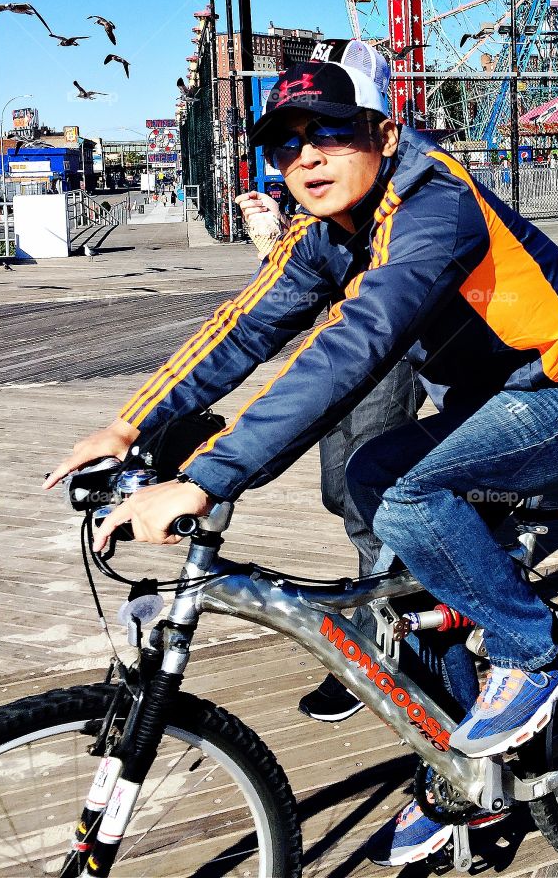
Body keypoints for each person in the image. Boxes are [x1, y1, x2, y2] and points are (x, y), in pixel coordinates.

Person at [46, 58, 558, 865]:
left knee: (405, 501)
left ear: (385, 134)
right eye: (286, 145)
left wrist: (207, 477)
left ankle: (542, 650)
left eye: (330, 131)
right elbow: (245, 325)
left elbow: (355, 344)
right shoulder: (326, 232)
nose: (307, 158)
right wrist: (128, 425)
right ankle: (473, 781)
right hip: (484, 405)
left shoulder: (435, 206)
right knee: (398, 568)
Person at [235, 182, 421, 722]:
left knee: (368, 503)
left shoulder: (403, 188)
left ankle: (372, 656)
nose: (308, 157)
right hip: (338, 345)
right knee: (338, 490)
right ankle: (434, 568)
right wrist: (279, 228)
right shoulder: (326, 198)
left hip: (387, 348)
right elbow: (316, 260)